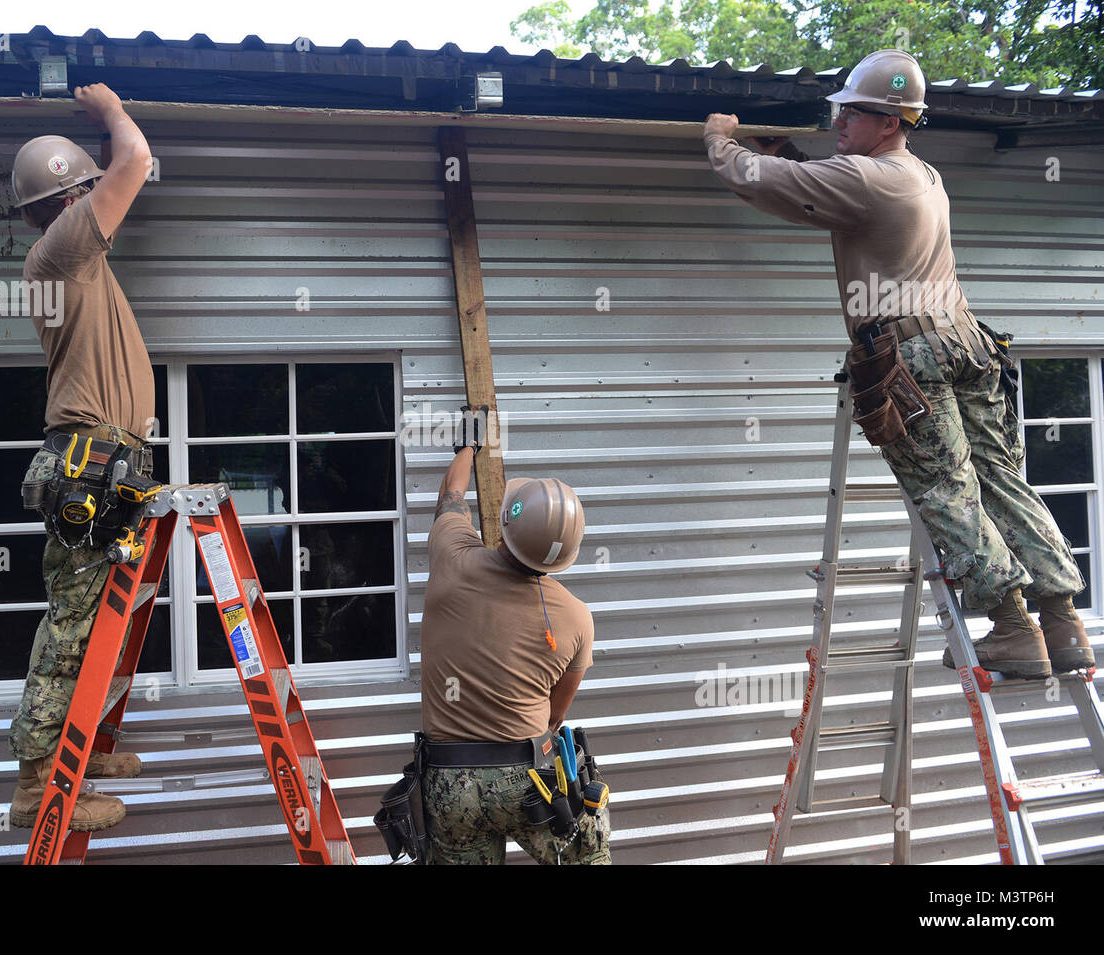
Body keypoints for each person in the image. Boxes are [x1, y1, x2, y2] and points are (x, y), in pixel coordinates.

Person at [701, 49, 1091, 680]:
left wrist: (724, 142)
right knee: (1001, 481)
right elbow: (835, 191)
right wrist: (791, 159)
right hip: (965, 342)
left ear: (889, 123)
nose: (838, 125)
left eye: (851, 115)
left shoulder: (866, 178)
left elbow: (760, 183)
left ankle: (1015, 630)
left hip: (913, 357)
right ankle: (1063, 622)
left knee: (947, 488)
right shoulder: (921, 174)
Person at [8, 83, 157, 831]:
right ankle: (37, 785)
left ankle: (84, 743)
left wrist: (93, 158)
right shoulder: (61, 249)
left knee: (99, 621)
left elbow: (113, 176)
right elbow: (136, 159)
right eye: (88, 191)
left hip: (106, 461)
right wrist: (109, 110)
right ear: (71, 200)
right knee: (70, 626)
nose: (102, 198)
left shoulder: (74, 257)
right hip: (87, 464)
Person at [418, 438, 611, 864]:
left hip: (451, 785)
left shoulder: (451, 558)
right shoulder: (577, 618)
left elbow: (451, 498)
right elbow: (555, 715)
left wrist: (468, 445)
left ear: (507, 522)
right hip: (528, 782)